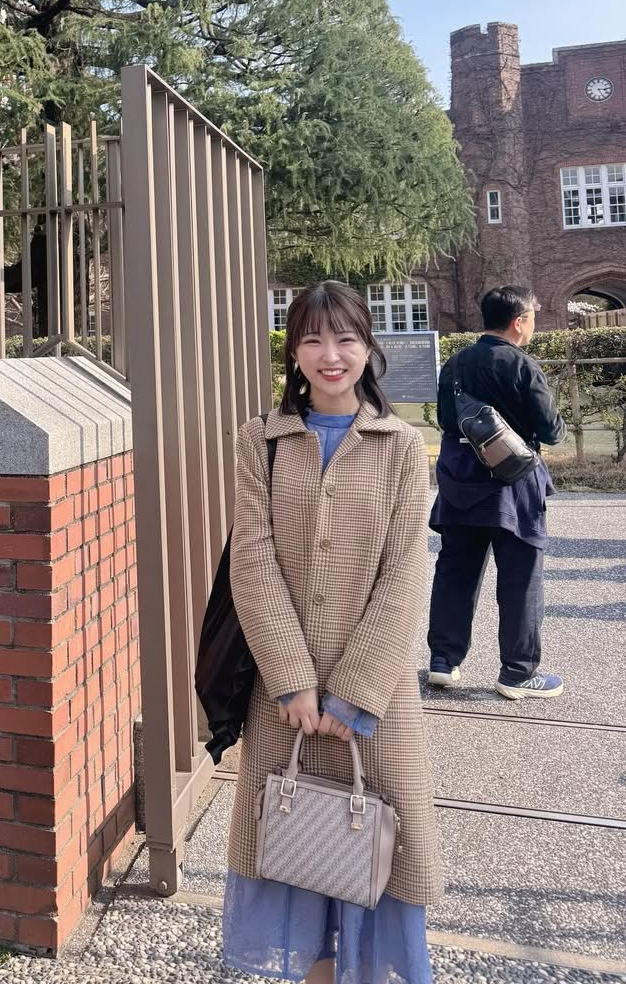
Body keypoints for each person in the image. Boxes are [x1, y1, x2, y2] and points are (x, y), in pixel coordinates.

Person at [224, 281, 440, 984]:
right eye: (312, 339)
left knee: (378, 857)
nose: (330, 355)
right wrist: (292, 681)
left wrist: (353, 693)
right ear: (293, 352)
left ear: (367, 347)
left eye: (345, 338)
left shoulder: (400, 446)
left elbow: (405, 572)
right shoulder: (261, 442)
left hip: (374, 702)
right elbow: (252, 561)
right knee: (295, 856)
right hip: (282, 697)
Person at [427, 284, 567, 700]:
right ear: (519, 322)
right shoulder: (522, 365)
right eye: (532, 319)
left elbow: (446, 418)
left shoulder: (456, 363)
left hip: (459, 480)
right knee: (520, 577)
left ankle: (443, 661)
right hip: (512, 484)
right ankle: (517, 672)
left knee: (455, 571)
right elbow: (551, 431)